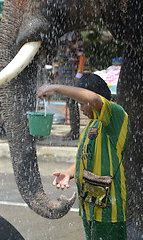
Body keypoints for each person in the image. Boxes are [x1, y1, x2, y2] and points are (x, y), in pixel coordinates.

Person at [37, 73, 129, 240]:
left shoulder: (116, 116)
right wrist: (69, 173)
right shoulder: (90, 126)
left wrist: (55, 87)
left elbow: (94, 100)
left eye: (81, 104)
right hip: (90, 206)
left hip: (110, 209)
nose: (81, 109)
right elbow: (84, 158)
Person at [57, 31, 85, 140]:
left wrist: (79, 73)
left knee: (72, 102)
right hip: (65, 72)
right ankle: (73, 130)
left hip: (73, 73)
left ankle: (74, 131)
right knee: (69, 102)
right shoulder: (62, 36)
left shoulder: (76, 35)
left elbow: (82, 55)